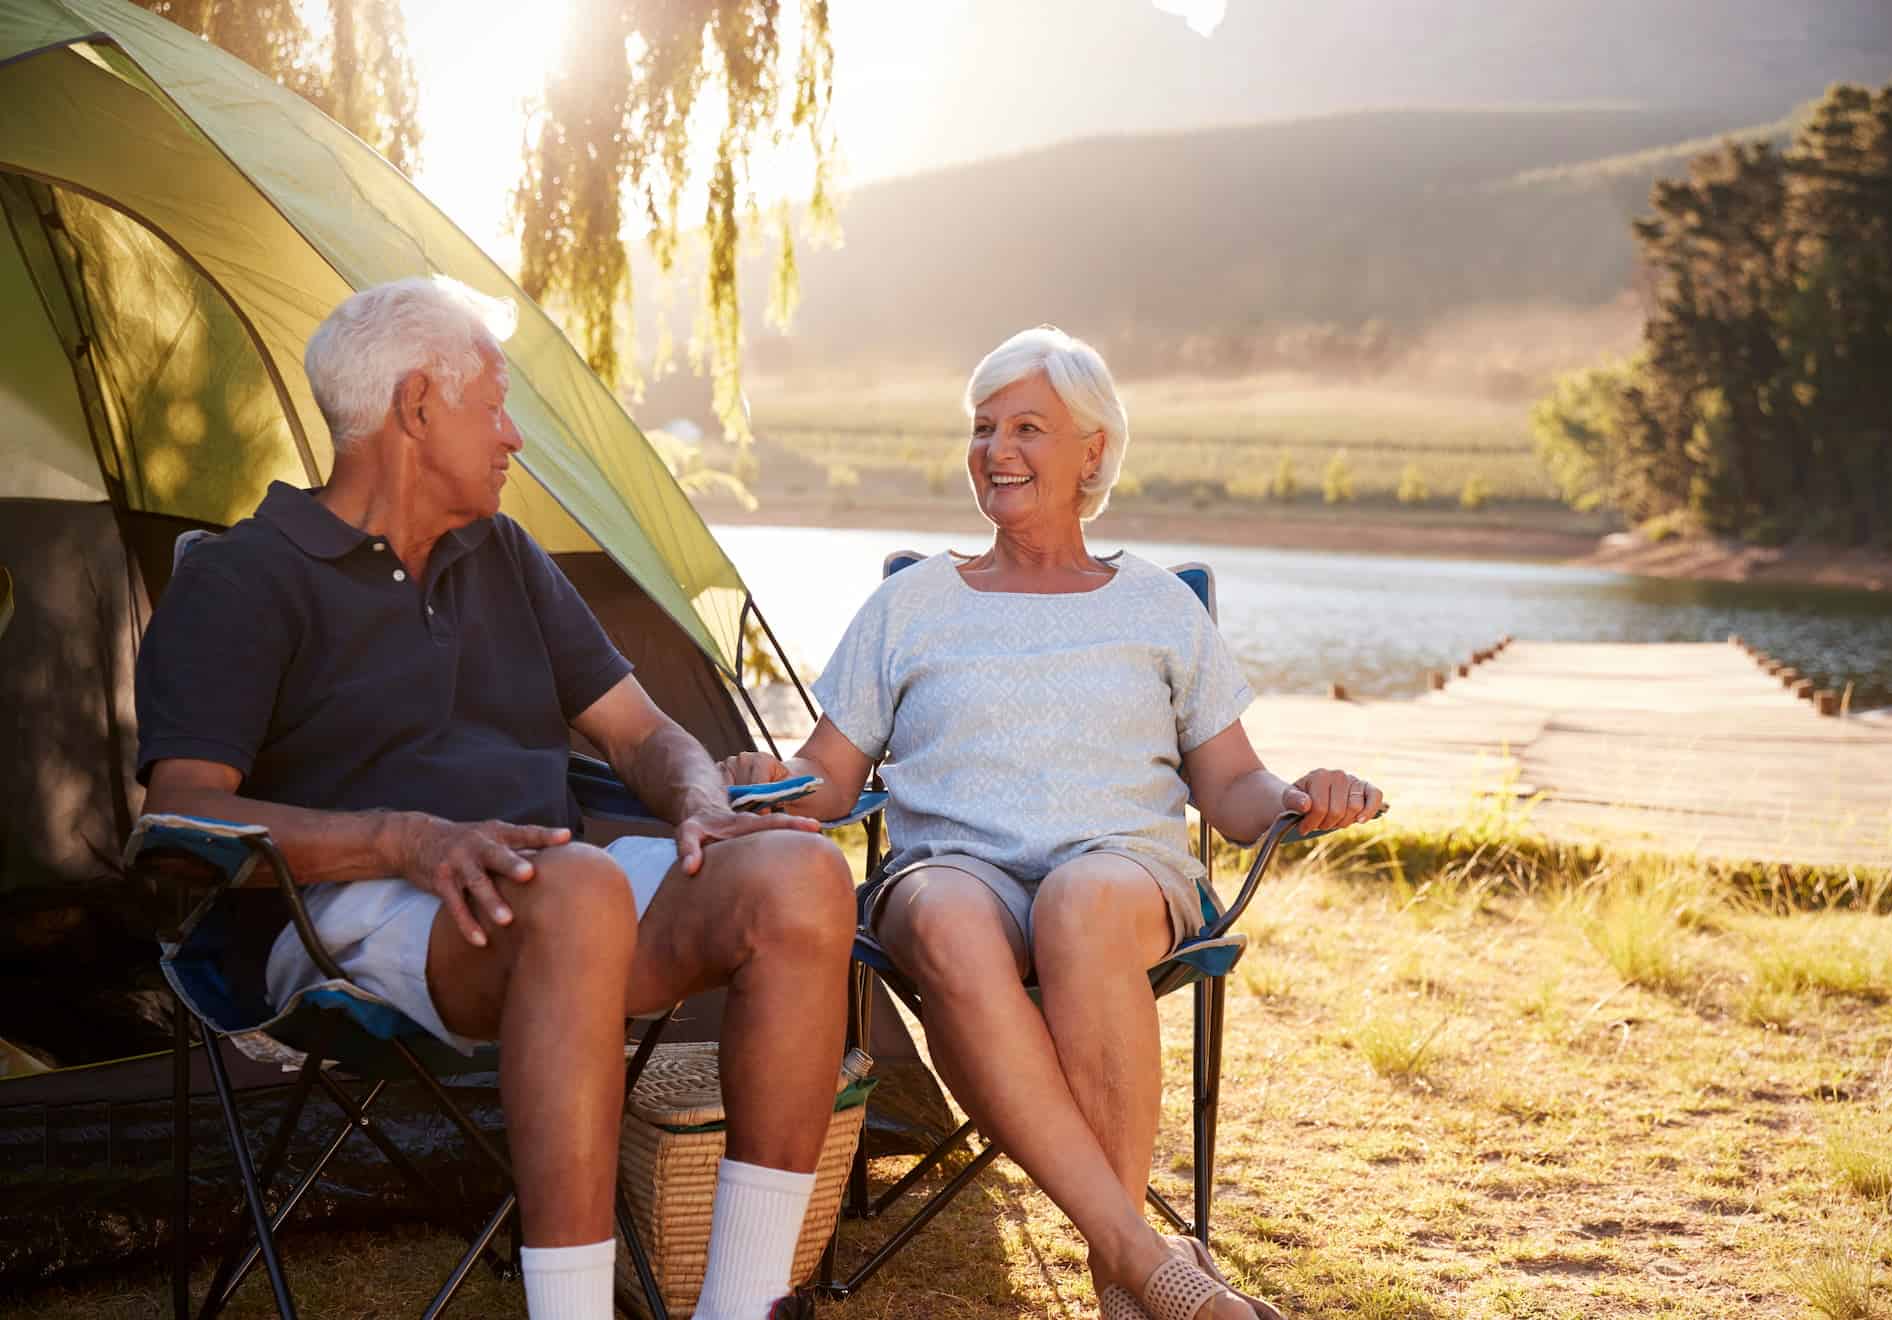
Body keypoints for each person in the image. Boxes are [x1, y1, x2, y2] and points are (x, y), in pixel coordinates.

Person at [135, 277, 854, 1320]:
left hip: (560, 887)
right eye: (496, 404)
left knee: (802, 875)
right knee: (576, 890)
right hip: (350, 911)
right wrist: (407, 840)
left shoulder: (504, 554)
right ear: (419, 407)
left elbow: (643, 732)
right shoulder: (246, 577)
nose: (515, 435)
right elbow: (179, 816)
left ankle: (742, 1307)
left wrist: (698, 795)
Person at [721, 325, 1386, 1320]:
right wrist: (771, 781)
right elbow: (829, 776)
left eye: (1027, 426)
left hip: (1120, 874)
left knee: (1080, 903)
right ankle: (1145, 1267)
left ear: (1094, 453)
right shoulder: (911, 603)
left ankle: (1125, 1283)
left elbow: (1235, 789)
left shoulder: (1159, 605)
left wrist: (1300, 796)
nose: (996, 449)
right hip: (951, 872)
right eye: (983, 427)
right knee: (945, 915)